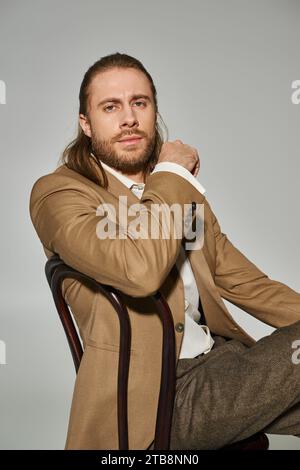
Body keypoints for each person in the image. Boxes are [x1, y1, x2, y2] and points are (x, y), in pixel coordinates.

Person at [29, 52, 300, 450]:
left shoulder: (175, 190)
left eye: (140, 103)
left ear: (154, 111)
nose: (129, 119)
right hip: (157, 401)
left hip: (223, 365)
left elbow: (245, 283)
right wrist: (171, 175)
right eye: (110, 107)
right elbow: (140, 271)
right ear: (85, 123)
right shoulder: (60, 194)